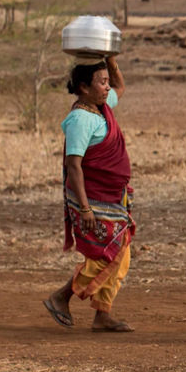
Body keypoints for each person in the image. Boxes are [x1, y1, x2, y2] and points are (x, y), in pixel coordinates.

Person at [43, 55, 135, 332]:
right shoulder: (81, 119)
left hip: (111, 198)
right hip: (91, 200)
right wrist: (84, 208)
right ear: (84, 87)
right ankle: (61, 297)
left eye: (106, 81)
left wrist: (110, 59)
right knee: (105, 255)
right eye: (101, 82)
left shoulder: (101, 107)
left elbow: (120, 87)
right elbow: (73, 165)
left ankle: (102, 313)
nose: (108, 87)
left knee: (121, 254)